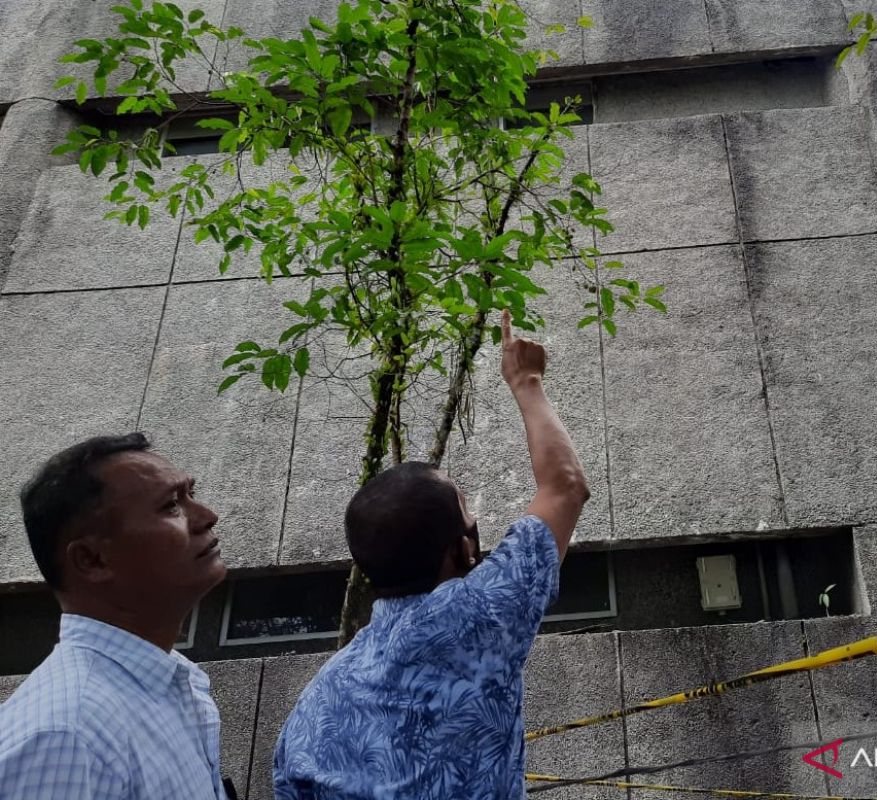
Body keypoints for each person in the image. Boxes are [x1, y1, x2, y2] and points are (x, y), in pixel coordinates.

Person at [274, 309, 590, 799]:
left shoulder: (320, 693)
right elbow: (564, 486)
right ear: (463, 550)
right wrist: (526, 380)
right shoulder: (478, 616)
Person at [0, 433, 229, 799]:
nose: (206, 516)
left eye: (191, 494)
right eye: (171, 505)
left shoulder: (177, 684)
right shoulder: (66, 738)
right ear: (92, 560)